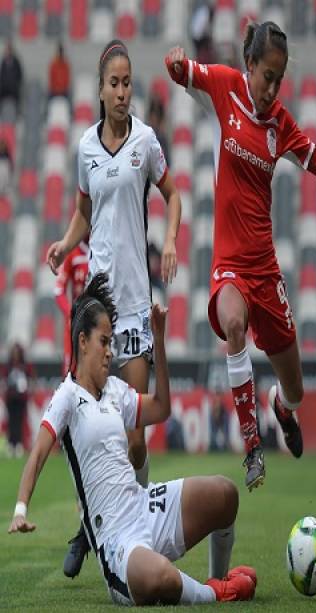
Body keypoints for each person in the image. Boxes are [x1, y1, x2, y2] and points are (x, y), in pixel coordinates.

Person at [165, 22, 316, 492]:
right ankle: (252, 445)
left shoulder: (281, 125)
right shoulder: (225, 88)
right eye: (266, 76)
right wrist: (175, 63)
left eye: (279, 80)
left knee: (296, 387)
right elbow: (185, 71)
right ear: (249, 66)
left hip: (265, 269)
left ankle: (283, 409)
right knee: (232, 324)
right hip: (229, 262)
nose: (271, 88)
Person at [8, 273, 256, 606]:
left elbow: (162, 407)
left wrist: (160, 343)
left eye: (112, 342)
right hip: (115, 540)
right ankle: (217, 593)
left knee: (225, 494)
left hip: (143, 506)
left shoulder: (114, 391)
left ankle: (219, 576)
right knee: (161, 577)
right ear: (82, 342)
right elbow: (37, 455)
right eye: (104, 341)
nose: (111, 352)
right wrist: (20, 510)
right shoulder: (66, 397)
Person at [47, 39, 182, 578]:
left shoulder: (146, 142)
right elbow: (85, 211)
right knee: (87, 431)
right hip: (98, 310)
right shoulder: (84, 148)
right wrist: (63, 241)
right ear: (101, 90)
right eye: (115, 84)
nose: (123, 92)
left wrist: (170, 239)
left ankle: (134, 531)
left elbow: (172, 195)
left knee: (131, 438)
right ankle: (91, 525)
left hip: (135, 307)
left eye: (129, 83)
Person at [54, 237, 89, 376]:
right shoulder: (73, 252)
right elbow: (58, 290)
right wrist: (70, 314)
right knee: (71, 374)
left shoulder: (104, 249)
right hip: (76, 324)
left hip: (97, 322)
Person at [4, 342, 32, 457]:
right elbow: (5, 380)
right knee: (11, 421)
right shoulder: (8, 366)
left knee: (20, 421)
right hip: (11, 398)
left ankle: (19, 444)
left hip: (21, 398)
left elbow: (30, 378)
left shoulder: (24, 366)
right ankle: (11, 444)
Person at [0, 41, 23, 114]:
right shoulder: (3, 62)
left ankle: (17, 113)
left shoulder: (16, 61)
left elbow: (19, 75)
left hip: (13, 88)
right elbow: (2, 74)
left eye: (8, 50)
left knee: (17, 97)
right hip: (5, 87)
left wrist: (15, 84)